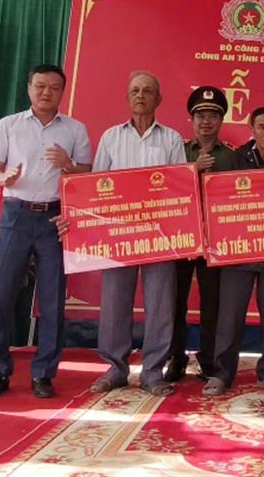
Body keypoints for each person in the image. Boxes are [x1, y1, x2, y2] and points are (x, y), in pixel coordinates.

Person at [0, 64, 91, 399]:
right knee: (1, 296)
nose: (46, 92)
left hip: (54, 218)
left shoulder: (75, 129)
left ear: (62, 92)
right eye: (40, 86)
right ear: (29, 88)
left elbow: (87, 175)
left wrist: (68, 164)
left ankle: (44, 374)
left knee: (53, 300)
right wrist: (4, 178)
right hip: (15, 214)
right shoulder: (9, 125)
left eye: (54, 87)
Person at [84, 71, 186, 397]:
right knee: (115, 301)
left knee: (160, 304)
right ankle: (115, 369)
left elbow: (179, 187)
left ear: (159, 99)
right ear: (128, 98)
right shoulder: (111, 137)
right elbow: (96, 185)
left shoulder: (171, 139)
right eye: (135, 91)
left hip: (159, 233)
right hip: (118, 233)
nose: (140, 96)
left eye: (147, 91)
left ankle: (153, 372)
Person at [204, 107, 264, 397]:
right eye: (261, 127)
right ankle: (222, 373)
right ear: (252, 129)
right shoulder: (236, 159)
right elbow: (221, 203)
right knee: (230, 316)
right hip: (239, 252)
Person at [166, 86, 236, 382]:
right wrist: (192, 170)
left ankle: (209, 361)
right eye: (200, 116)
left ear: (221, 121)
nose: (206, 121)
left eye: (212, 116)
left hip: (214, 241)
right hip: (180, 238)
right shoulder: (178, 151)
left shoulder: (231, 156)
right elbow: (165, 190)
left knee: (212, 304)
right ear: (192, 120)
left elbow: (237, 200)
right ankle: (176, 358)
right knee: (174, 302)